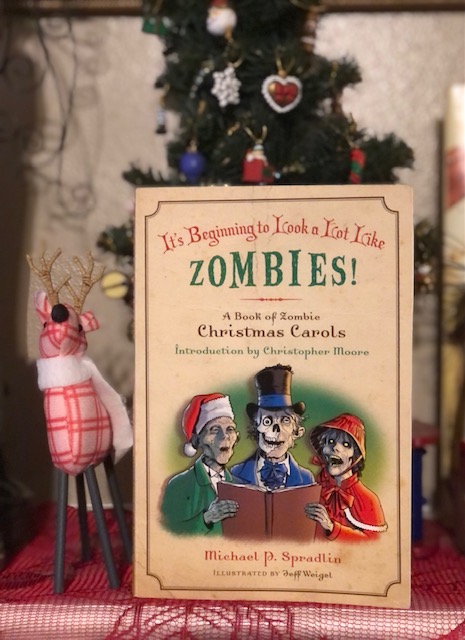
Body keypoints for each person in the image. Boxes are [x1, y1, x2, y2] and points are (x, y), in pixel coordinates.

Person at [161, 393, 239, 535]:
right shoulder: (178, 485)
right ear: (198, 441)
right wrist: (206, 518)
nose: (225, 436)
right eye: (215, 430)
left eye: (230, 429)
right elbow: (167, 534)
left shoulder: (239, 484)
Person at [304, 413, 388, 541]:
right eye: (330, 442)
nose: (335, 448)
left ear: (355, 455)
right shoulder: (313, 489)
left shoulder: (368, 499)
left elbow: (375, 545)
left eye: (346, 444)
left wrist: (331, 527)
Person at [231, 365, 314, 490]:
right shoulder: (236, 473)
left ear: (297, 432)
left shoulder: (306, 479)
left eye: (285, 420)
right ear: (256, 428)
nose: (276, 430)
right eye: (267, 421)